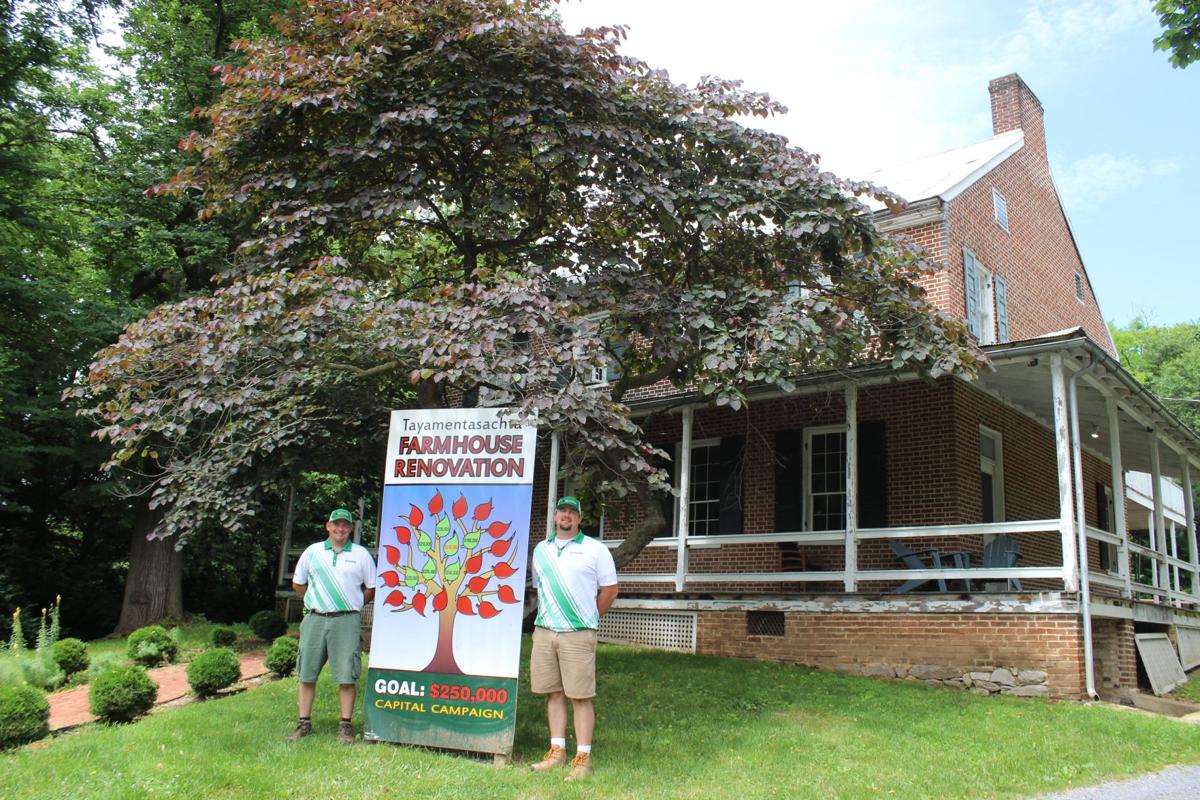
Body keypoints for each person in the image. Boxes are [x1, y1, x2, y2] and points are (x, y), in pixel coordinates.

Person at [529, 495, 619, 781]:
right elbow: (539, 589)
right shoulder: (541, 550)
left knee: (580, 696)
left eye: (572, 512)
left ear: (580, 519)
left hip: (578, 634)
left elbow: (610, 590)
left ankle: (583, 758)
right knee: (553, 694)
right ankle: (557, 752)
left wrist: (589, 620)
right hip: (544, 631)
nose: (566, 516)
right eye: (562, 511)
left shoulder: (596, 550)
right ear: (555, 517)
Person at [288, 508, 376, 743]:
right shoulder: (313, 552)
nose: (340, 529)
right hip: (315, 618)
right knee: (306, 673)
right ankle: (303, 722)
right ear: (328, 526)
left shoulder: (361, 555)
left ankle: (345, 725)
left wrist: (353, 603)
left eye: (345, 525)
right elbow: (298, 583)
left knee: (347, 674)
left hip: (346, 620)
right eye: (336, 524)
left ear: (350, 528)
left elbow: (371, 587)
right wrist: (312, 601)